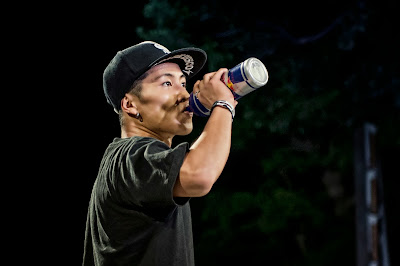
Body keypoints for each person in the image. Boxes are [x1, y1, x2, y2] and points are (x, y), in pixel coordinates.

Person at [82, 41, 237, 266]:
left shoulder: (137, 160)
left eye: (183, 83)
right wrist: (224, 104)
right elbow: (200, 176)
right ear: (130, 105)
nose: (184, 94)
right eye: (166, 83)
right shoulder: (131, 156)